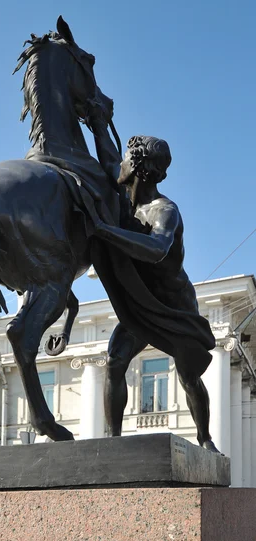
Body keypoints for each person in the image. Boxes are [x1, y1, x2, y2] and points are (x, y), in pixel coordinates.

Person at [88, 127, 219, 452]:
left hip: (174, 305)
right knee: (115, 362)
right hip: (141, 302)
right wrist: (96, 121)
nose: (118, 165)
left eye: (125, 160)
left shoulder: (164, 210)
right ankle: (112, 443)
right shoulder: (122, 200)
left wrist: (105, 232)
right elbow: (105, 157)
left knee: (189, 376)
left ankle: (205, 439)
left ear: (137, 166)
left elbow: (157, 248)